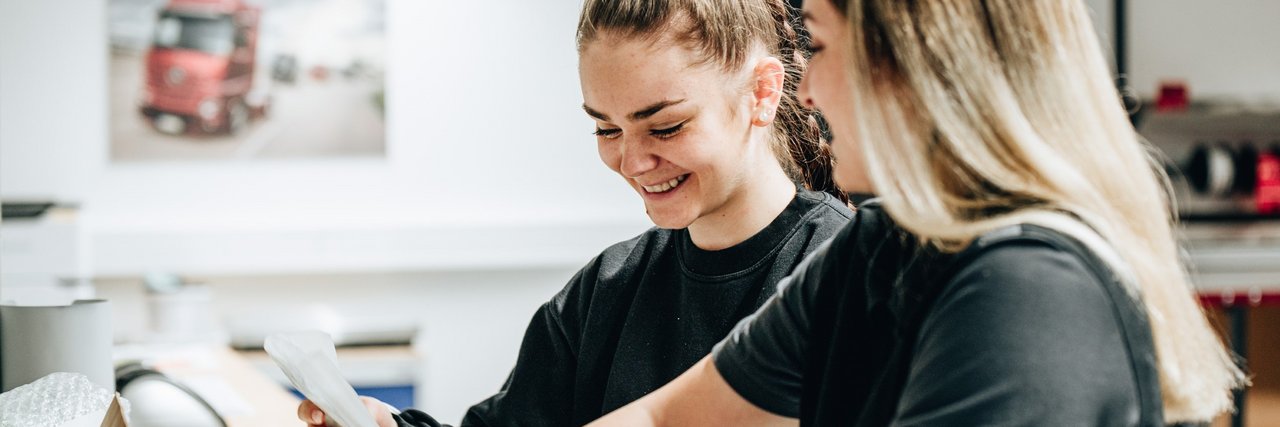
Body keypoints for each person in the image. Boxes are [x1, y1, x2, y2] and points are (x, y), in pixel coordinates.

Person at [585, 0, 1248, 426]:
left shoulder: (1029, 292)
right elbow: (671, 417)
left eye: (816, 44)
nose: (807, 90)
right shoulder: (884, 247)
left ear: (906, 60)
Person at [296, 1, 853, 426]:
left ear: (762, 91)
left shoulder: (849, 270)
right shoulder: (608, 290)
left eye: (665, 126)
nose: (632, 161)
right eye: (606, 128)